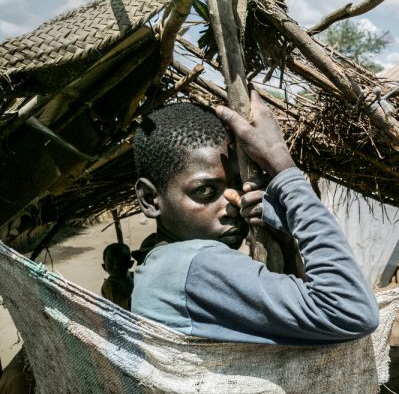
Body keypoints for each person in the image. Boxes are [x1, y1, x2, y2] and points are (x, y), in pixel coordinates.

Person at [130, 93, 378, 345]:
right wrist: (281, 163)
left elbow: (304, 319)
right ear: (150, 199)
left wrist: (285, 242)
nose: (232, 203)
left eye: (237, 185)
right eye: (204, 191)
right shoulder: (197, 264)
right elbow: (352, 311)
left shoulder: (162, 267)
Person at [100, 242, 134, 310]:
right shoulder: (109, 285)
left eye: (121, 262)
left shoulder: (133, 276)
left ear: (130, 264)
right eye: (111, 263)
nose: (116, 266)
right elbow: (121, 306)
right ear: (104, 267)